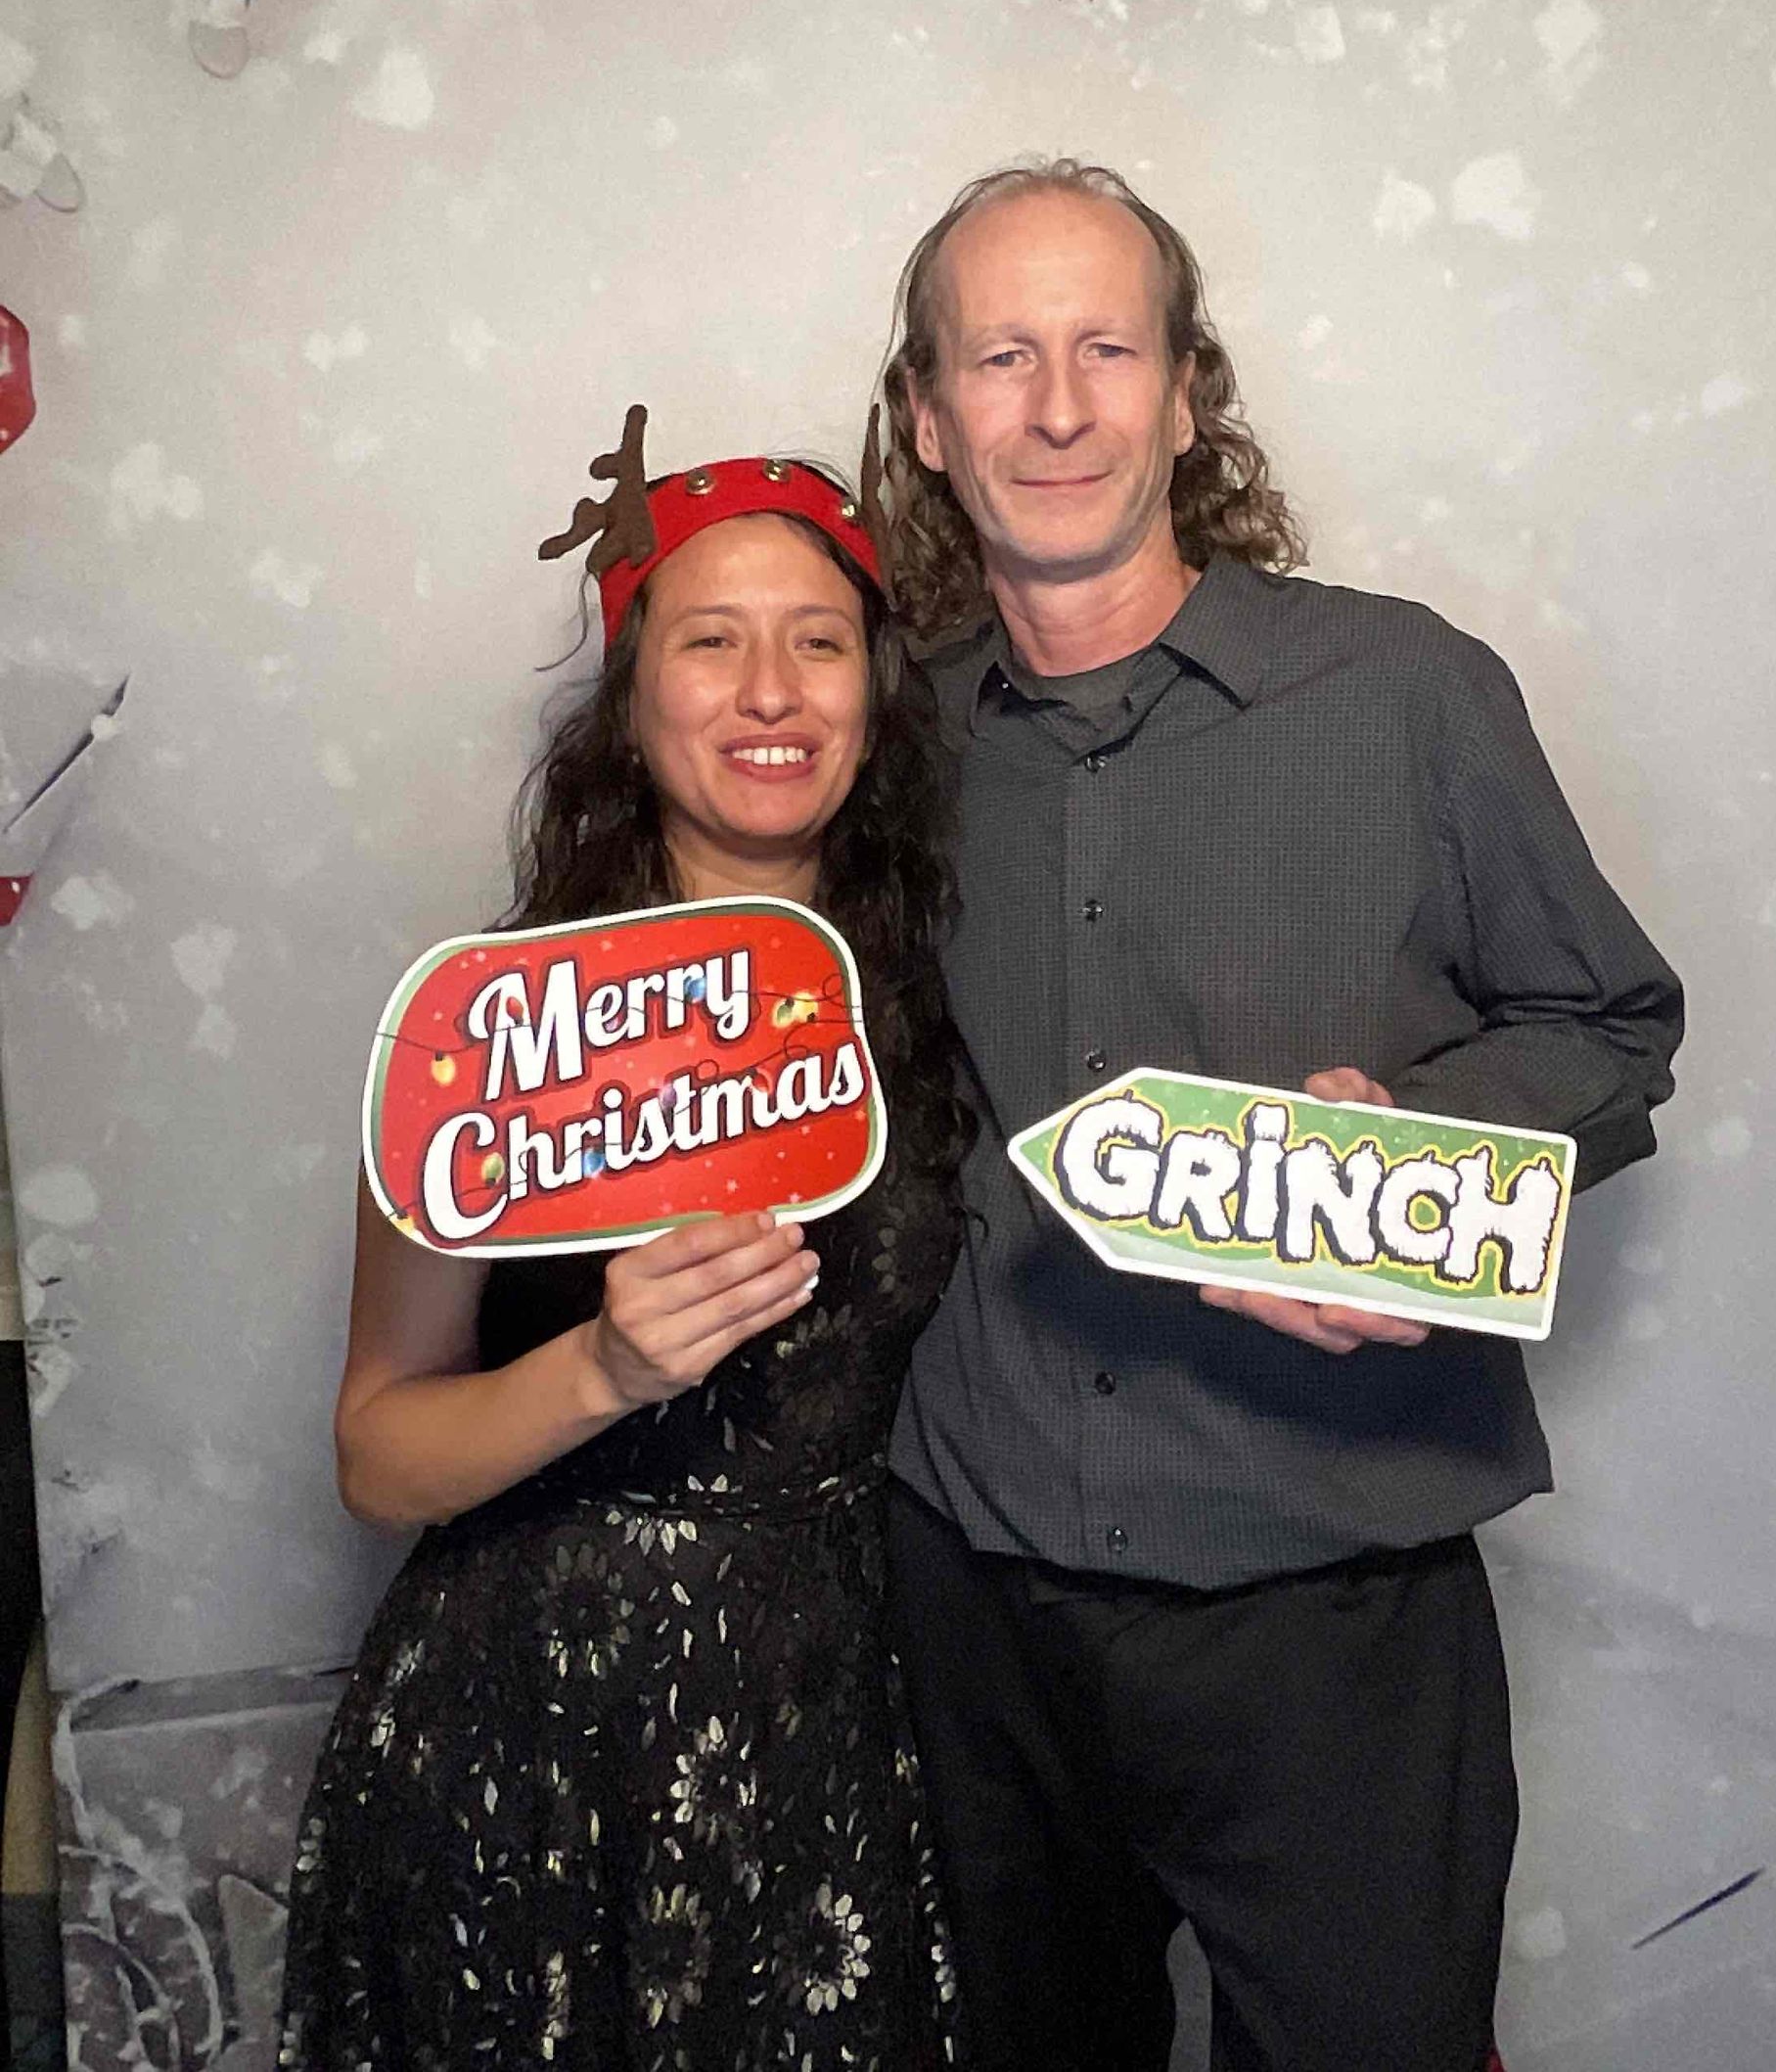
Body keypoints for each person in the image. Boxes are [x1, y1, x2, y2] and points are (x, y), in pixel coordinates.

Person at [874, 160, 1685, 2072]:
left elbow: (1608, 1021)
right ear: (926, 411)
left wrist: (1416, 1143)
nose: (1057, 405)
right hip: (968, 1593)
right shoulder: (882, 732)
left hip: (1330, 1611)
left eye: (1105, 348)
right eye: (1001, 355)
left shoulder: (1406, 694)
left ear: (1181, 391)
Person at [277, 425, 970, 2071]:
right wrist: (597, 1364)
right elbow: (378, 1448)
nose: (770, 692)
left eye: (818, 643)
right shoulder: (492, 1034)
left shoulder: (946, 999)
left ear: (873, 696)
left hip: (834, 1730)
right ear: (631, 693)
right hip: (532, 1728)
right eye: (710, 640)